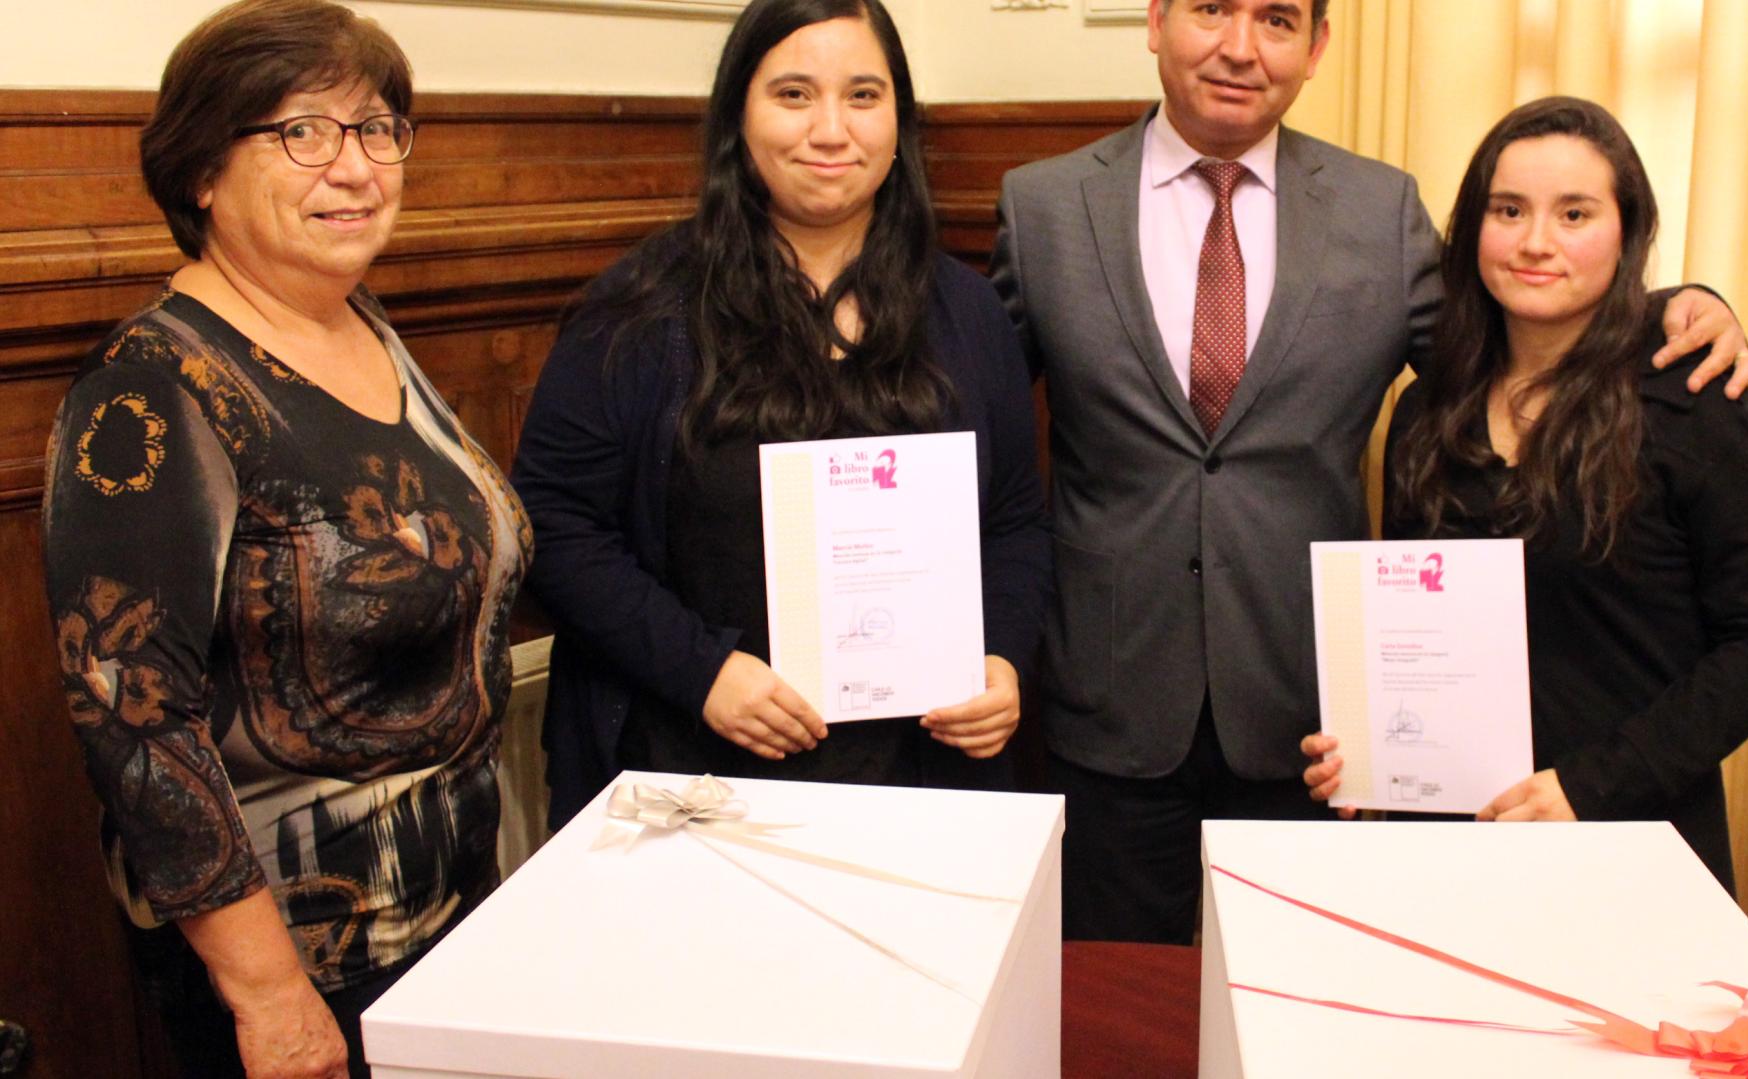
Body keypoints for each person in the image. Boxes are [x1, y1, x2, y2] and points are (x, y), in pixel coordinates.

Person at [989, 0, 1748, 943]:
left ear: (1315, 49)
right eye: (1210, 10)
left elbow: (1507, 344)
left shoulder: (1380, 208)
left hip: (1315, 729)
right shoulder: (1042, 206)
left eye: (1276, 19)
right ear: (1155, 21)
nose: (1240, 46)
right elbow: (974, 428)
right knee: (1118, 1015)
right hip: (1108, 711)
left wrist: (1679, 305)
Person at [39, 2, 529, 1076]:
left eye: (377, 128)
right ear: (201, 170)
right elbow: (134, 719)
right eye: (302, 131)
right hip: (301, 966)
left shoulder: (365, 325)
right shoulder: (150, 390)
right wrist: (267, 993)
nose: (354, 167)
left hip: (452, 914)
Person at [512, 0, 1050, 829]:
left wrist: (1002, 659)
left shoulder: (969, 312)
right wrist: (704, 672)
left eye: (863, 96)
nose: (831, 130)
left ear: (899, 120)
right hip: (696, 778)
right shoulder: (640, 309)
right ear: (739, 113)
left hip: (920, 785)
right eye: (794, 94)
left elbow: (1014, 521)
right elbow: (553, 520)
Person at [1302, 97, 1748, 896]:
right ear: (1472, 229)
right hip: (1450, 854)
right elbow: (1411, 624)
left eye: (1574, 213)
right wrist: (1370, 752)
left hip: (1633, 850)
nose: (1536, 242)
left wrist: (1587, 788)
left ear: (1625, 230)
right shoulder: (1428, 408)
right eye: (1509, 211)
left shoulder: (1703, 398)